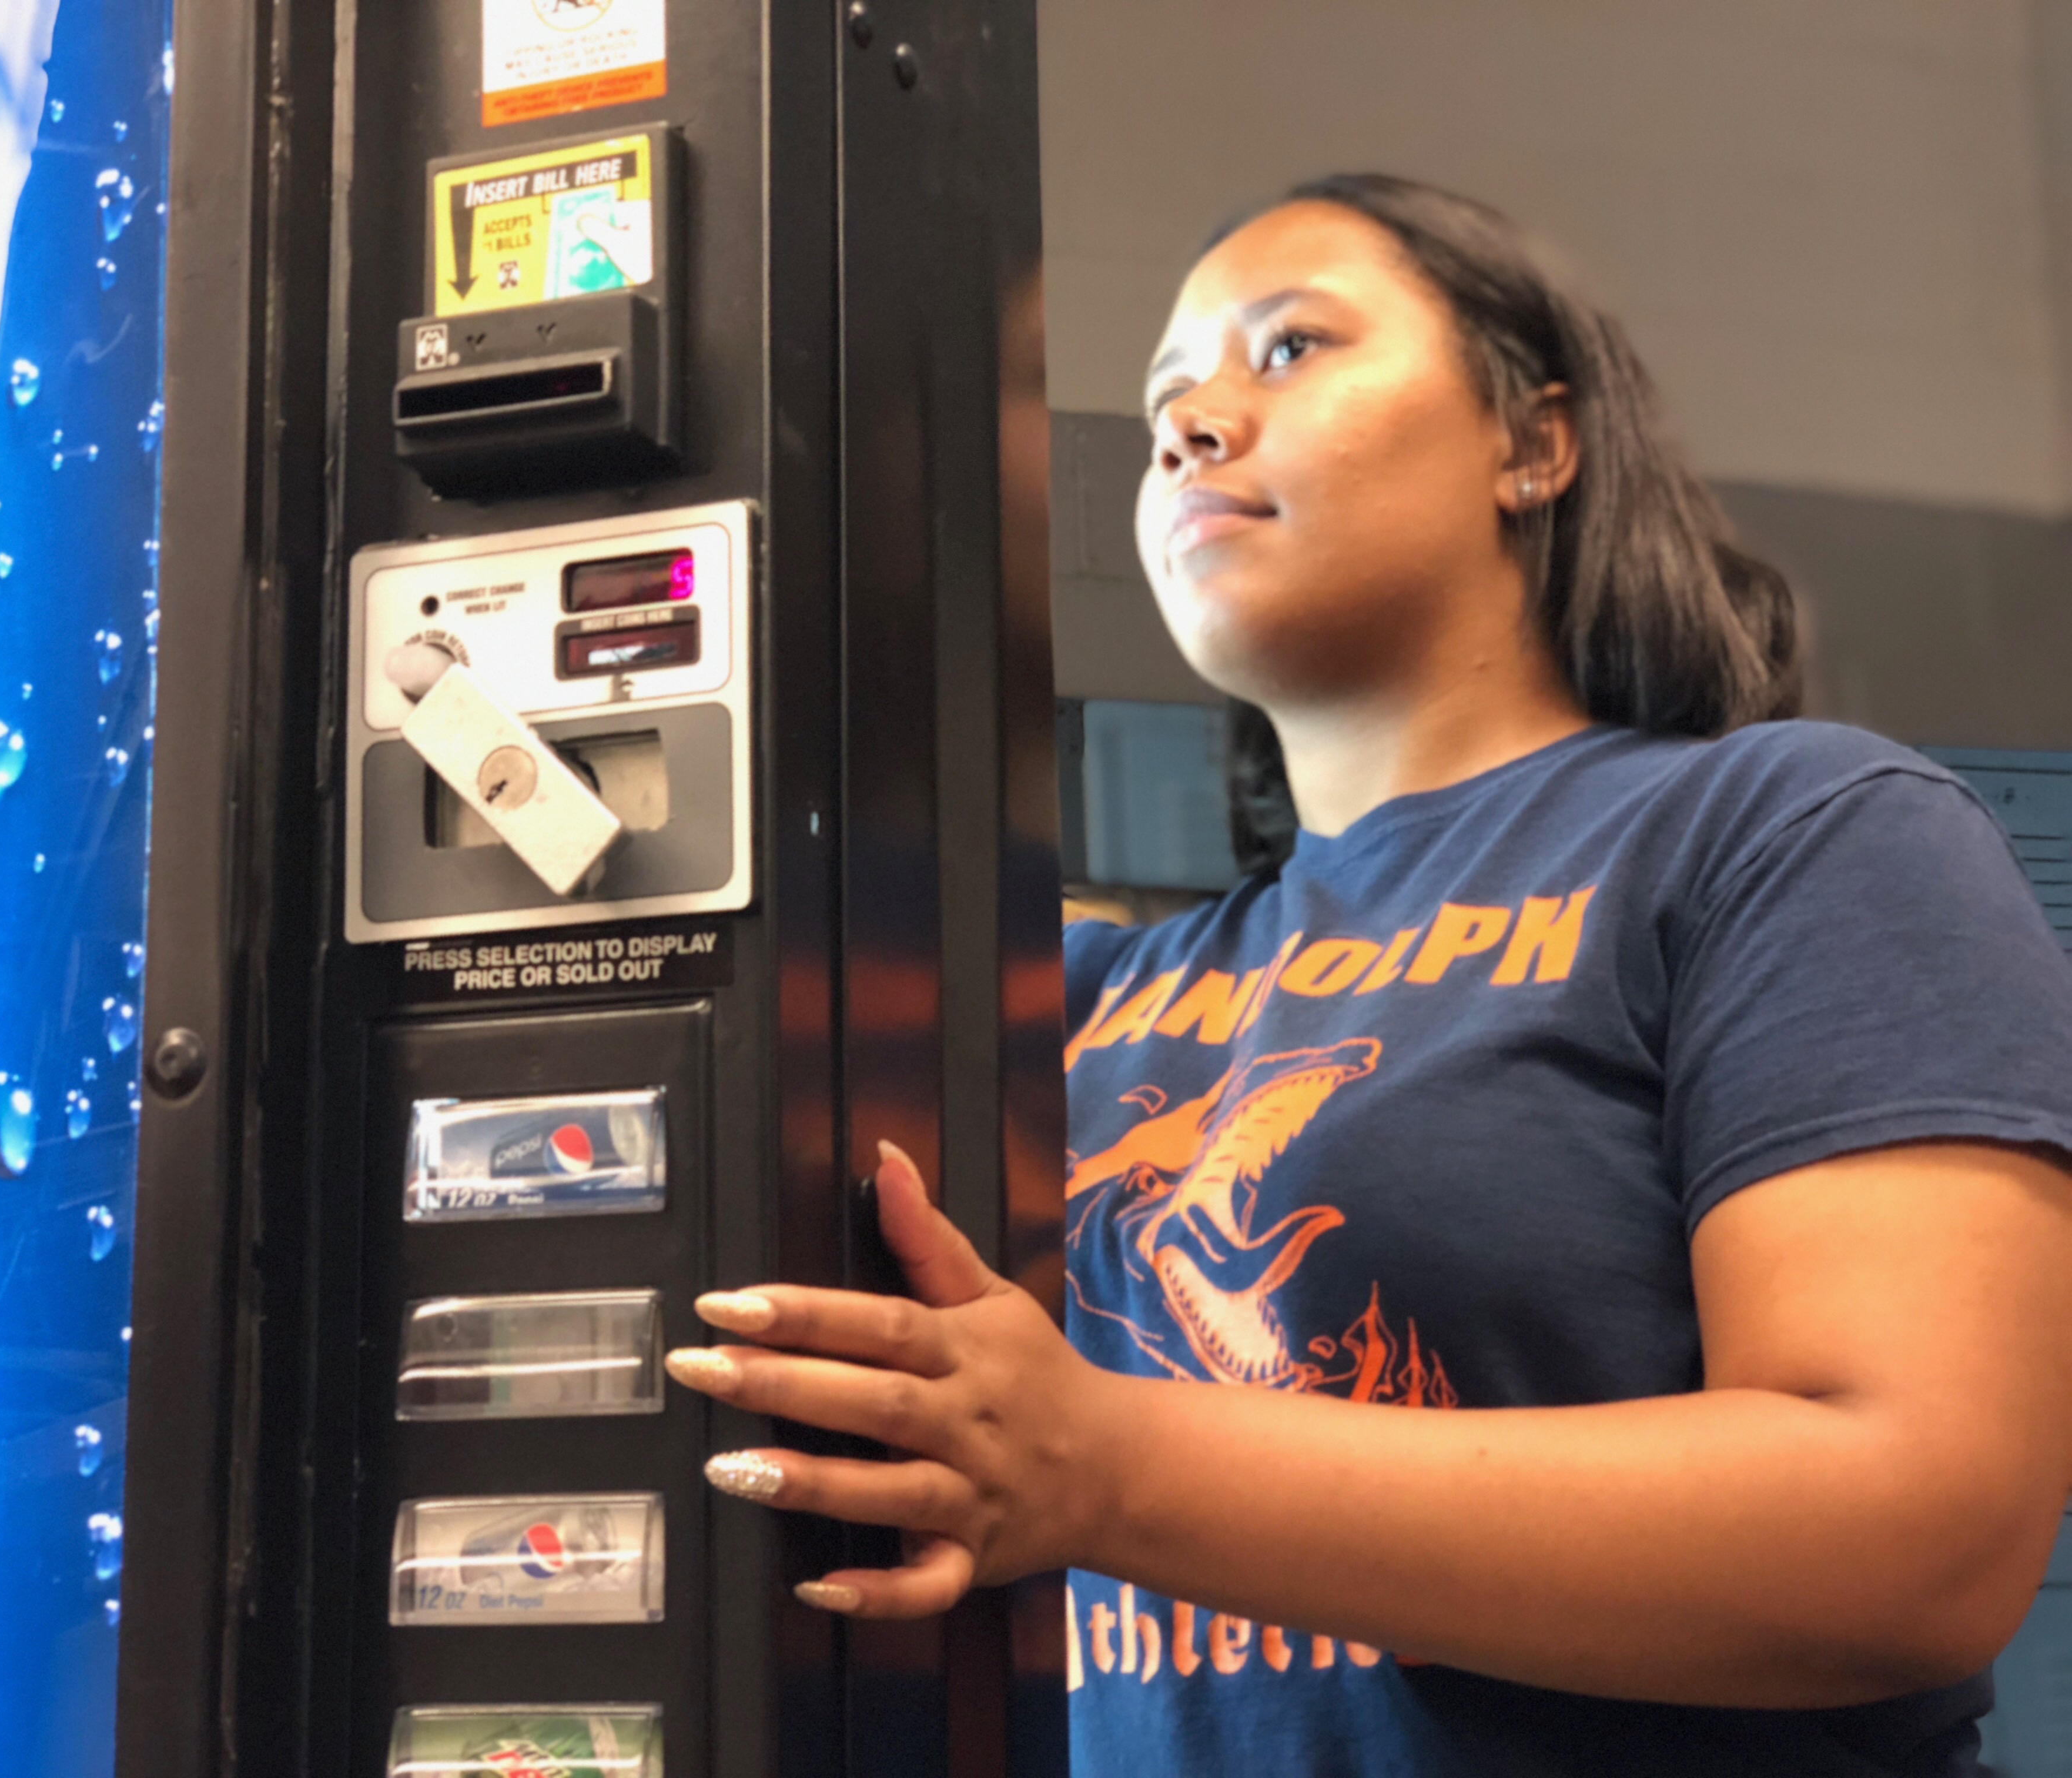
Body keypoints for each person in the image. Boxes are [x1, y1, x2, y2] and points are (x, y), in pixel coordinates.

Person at [661, 175, 2072, 1776]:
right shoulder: (1084, 992)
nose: (1194, 418)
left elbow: (1916, 1539)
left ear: (1532, 445)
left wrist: (1104, 1464)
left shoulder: (1787, 833)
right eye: (1158, 403)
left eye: (1286, 350)